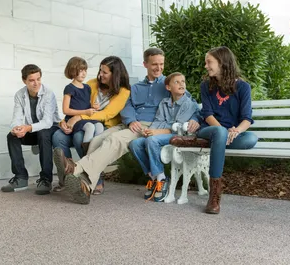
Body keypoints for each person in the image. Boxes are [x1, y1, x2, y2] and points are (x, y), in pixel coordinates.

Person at [54, 48, 200, 204]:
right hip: (130, 124)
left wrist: (196, 119)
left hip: (149, 127)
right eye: (154, 64)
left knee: (114, 140)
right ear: (145, 64)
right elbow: (127, 107)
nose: (159, 68)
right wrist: (130, 120)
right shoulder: (136, 87)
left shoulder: (168, 84)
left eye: (161, 64)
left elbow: (188, 101)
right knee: (96, 140)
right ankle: (86, 188)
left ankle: (75, 169)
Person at [52, 56, 131, 193]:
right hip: (83, 123)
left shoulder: (124, 91)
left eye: (105, 72)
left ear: (115, 74)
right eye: (100, 71)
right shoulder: (91, 84)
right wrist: (64, 121)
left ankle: (92, 178)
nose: (100, 75)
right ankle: (66, 176)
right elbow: (75, 104)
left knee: (79, 138)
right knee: (58, 136)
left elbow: (107, 114)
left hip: (103, 125)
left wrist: (78, 117)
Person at [197, 46, 258, 214]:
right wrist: (223, 131)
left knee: (251, 139)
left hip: (230, 134)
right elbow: (207, 115)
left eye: (209, 62)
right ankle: (214, 196)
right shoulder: (206, 86)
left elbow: (247, 118)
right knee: (220, 132)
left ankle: (215, 143)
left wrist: (236, 131)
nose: (206, 66)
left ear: (222, 63)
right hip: (209, 129)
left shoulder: (243, 87)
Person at [128, 72, 200, 202]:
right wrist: (150, 130)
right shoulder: (164, 103)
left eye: (183, 81)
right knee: (135, 144)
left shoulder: (188, 104)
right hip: (163, 134)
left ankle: (161, 180)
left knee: (152, 140)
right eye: (176, 82)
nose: (181, 84)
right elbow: (158, 120)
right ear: (168, 88)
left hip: (180, 136)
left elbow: (178, 127)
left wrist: (156, 133)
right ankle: (156, 177)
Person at [1, 64, 61, 195]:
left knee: (43, 134)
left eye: (38, 79)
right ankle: (21, 177)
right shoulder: (19, 95)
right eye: (32, 80)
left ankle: (46, 179)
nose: (36, 83)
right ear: (24, 81)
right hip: (33, 129)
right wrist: (16, 129)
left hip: (51, 129)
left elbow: (47, 122)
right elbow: (16, 117)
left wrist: (27, 128)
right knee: (11, 136)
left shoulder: (48, 94)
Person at [62, 57, 104, 144]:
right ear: (72, 71)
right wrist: (85, 112)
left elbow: (86, 104)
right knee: (90, 127)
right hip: (74, 119)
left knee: (99, 126)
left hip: (85, 117)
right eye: (81, 70)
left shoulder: (87, 87)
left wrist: (93, 107)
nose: (84, 73)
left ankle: (97, 150)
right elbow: (65, 110)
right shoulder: (69, 88)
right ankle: (87, 152)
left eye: (85, 70)